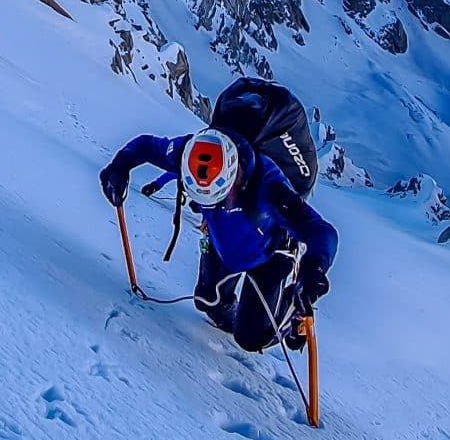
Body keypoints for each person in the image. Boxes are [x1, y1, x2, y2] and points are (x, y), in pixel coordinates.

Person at [100, 125, 337, 351]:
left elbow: (322, 231)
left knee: (253, 338)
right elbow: (147, 146)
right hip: (224, 242)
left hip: (270, 254)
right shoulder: (190, 153)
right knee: (208, 301)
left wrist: (313, 268)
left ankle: (291, 312)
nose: (213, 207)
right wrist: (119, 167)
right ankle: (246, 319)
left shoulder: (270, 188)